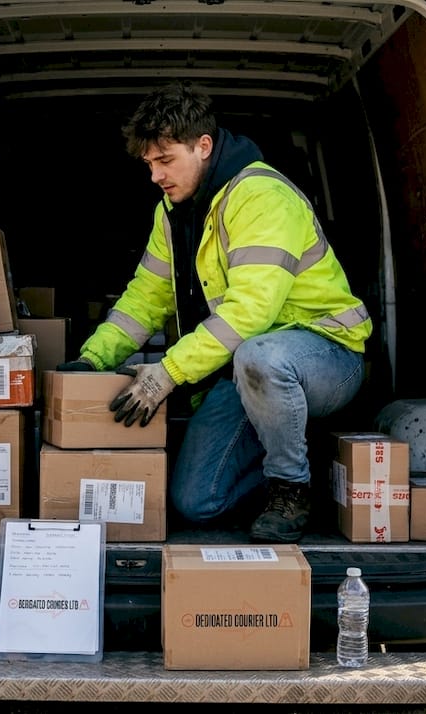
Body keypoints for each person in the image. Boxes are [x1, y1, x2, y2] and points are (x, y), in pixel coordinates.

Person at [56, 82, 372, 543]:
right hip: (244, 371)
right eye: (149, 164)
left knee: (261, 356)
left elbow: (250, 313)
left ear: (203, 146)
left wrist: (166, 373)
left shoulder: (261, 196)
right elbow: (147, 296)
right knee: (197, 502)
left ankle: (292, 488)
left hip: (325, 357)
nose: (155, 176)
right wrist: (93, 360)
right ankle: (299, 459)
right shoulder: (173, 211)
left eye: (165, 160)